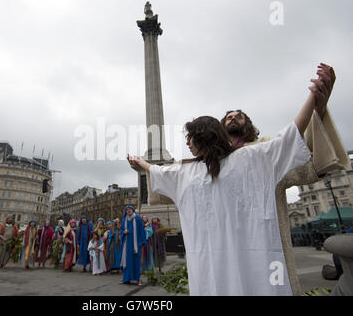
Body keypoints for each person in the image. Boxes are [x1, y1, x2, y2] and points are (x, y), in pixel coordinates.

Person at [127, 64, 334, 295]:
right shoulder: (191, 170)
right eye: (229, 117)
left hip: (261, 247)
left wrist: (317, 104)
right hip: (219, 260)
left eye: (239, 116)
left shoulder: (256, 154)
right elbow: (159, 172)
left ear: (203, 137)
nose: (187, 144)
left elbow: (292, 138)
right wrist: (142, 163)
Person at [120, 206, 146, 286]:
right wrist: (124, 232)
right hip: (127, 244)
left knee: (136, 261)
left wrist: (142, 241)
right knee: (127, 261)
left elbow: (142, 230)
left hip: (136, 244)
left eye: (129, 209)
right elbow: (121, 230)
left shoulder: (138, 219)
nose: (128, 211)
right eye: (127, 210)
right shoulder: (124, 220)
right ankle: (126, 279)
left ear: (133, 210)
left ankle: (138, 279)